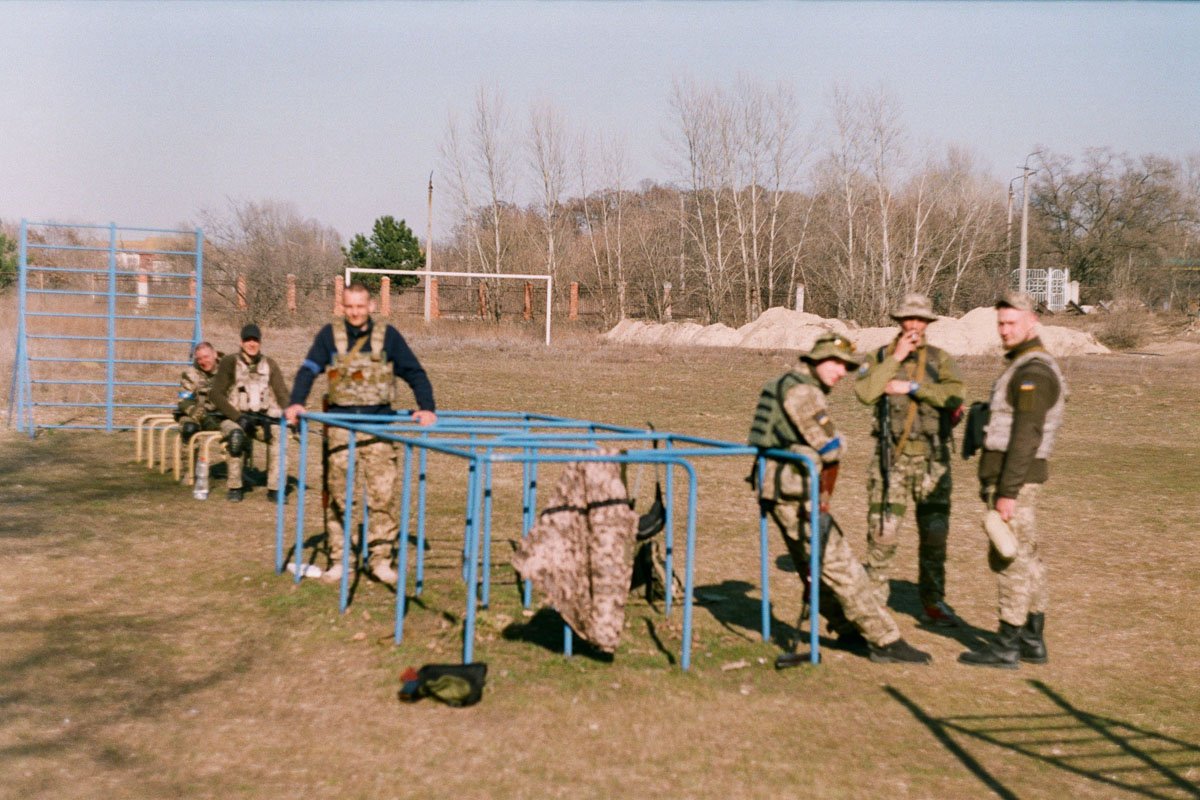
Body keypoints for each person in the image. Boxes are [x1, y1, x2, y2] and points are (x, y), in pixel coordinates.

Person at [751, 332, 932, 664]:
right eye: (835, 363)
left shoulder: (788, 382)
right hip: (795, 493)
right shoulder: (804, 391)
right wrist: (839, 443)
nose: (841, 372)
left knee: (817, 566)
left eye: (846, 367)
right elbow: (830, 446)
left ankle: (848, 628)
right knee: (842, 567)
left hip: (778, 489)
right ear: (817, 359)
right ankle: (885, 640)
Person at [284, 283, 437, 585]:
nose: (354, 312)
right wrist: (297, 402)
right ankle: (341, 560)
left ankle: (380, 560)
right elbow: (308, 369)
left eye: (359, 306)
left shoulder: (388, 336)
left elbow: (415, 372)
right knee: (340, 498)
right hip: (341, 431)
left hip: (379, 430)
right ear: (343, 306)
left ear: (370, 306)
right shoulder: (330, 335)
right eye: (349, 306)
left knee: (382, 497)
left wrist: (426, 407)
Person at [959, 292, 1065, 668]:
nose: (1004, 331)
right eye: (1001, 324)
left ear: (1031, 321)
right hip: (1013, 479)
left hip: (1013, 481)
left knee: (1010, 561)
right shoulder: (1022, 365)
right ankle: (1033, 641)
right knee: (1028, 559)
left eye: (1012, 323)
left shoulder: (1033, 372)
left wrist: (1007, 492)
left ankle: (1006, 646)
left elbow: (1026, 435)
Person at [854, 293, 964, 626]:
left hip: (933, 461)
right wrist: (896, 358)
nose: (914, 326)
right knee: (883, 534)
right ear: (899, 323)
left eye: (920, 320)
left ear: (928, 324)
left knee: (934, 534)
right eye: (908, 320)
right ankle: (874, 601)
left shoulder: (941, 360)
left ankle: (933, 601)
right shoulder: (879, 357)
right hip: (892, 462)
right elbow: (864, 393)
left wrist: (913, 387)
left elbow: (955, 395)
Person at [209, 324, 291, 503]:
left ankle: (275, 488)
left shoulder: (269, 364)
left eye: (255, 340)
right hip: (233, 418)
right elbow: (215, 394)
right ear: (241, 342)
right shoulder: (230, 362)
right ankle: (235, 486)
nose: (251, 344)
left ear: (260, 342)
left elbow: (282, 393)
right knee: (236, 436)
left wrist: (290, 413)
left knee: (279, 434)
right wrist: (238, 417)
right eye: (248, 340)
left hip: (260, 419)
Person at [173, 341, 224, 442]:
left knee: (237, 435)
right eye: (199, 359)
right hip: (197, 414)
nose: (203, 361)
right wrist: (202, 416)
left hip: (223, 415)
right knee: (189, 429)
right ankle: (189, 457)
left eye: (206, 357)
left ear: (215, 354)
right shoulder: (191, 374)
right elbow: (184, 400)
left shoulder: (228, 370)